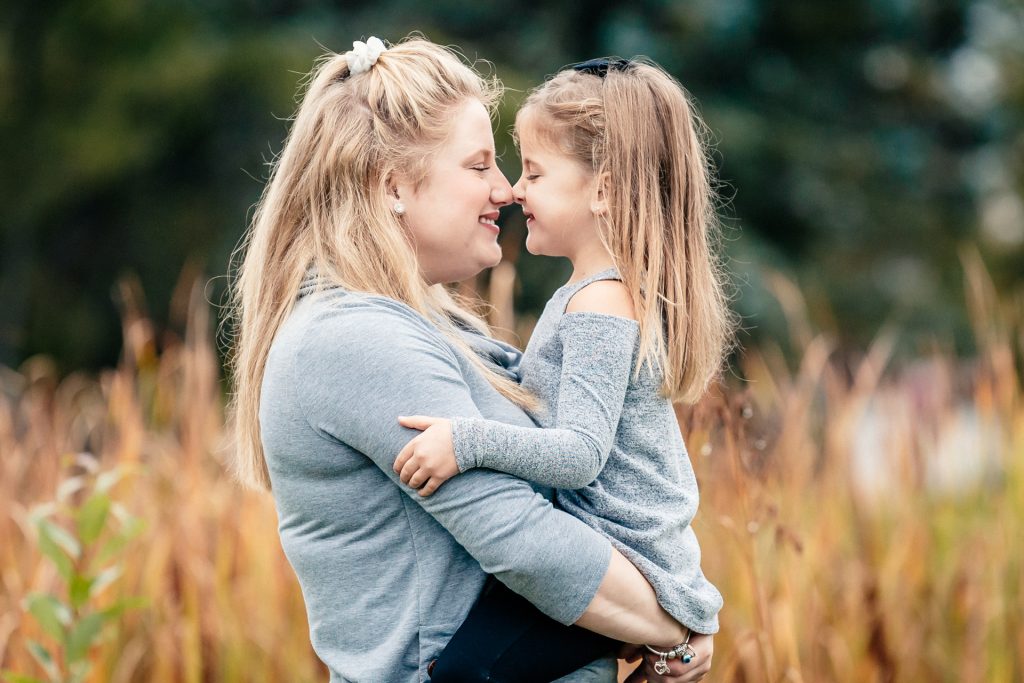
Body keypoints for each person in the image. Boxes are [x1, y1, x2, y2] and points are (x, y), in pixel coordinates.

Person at [228, 36, 711, 682]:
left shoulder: (419, 322)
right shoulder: (357, 342)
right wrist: (675, 625)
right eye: (479, 165)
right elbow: (525, 541)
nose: (506, 190)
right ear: (393, 185)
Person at [392, 57, 734, 682]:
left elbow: (579, 454)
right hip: (610, 551)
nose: (515, 190)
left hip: (627, 560)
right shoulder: (591, 292)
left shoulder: (603, 301)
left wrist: (464, 442)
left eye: (535, 172)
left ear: (602, 190)